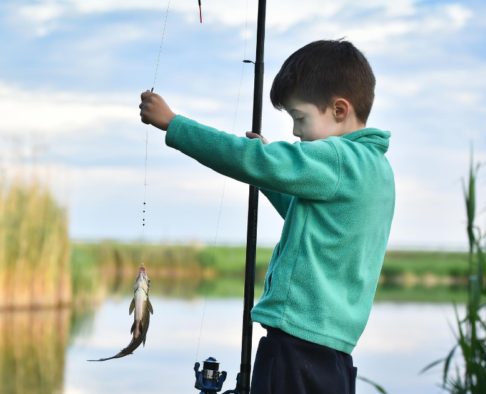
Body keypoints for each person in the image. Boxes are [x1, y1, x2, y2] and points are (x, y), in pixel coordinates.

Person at [138, 39, 395, 394]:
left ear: (339, 110)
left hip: (294, 349)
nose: (294, 132)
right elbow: (309, 215)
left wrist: (174, 125)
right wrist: (273, 179)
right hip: (333, 359)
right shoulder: (377, 171)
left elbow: (251, 159)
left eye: (299, 118)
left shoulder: (335, 158)